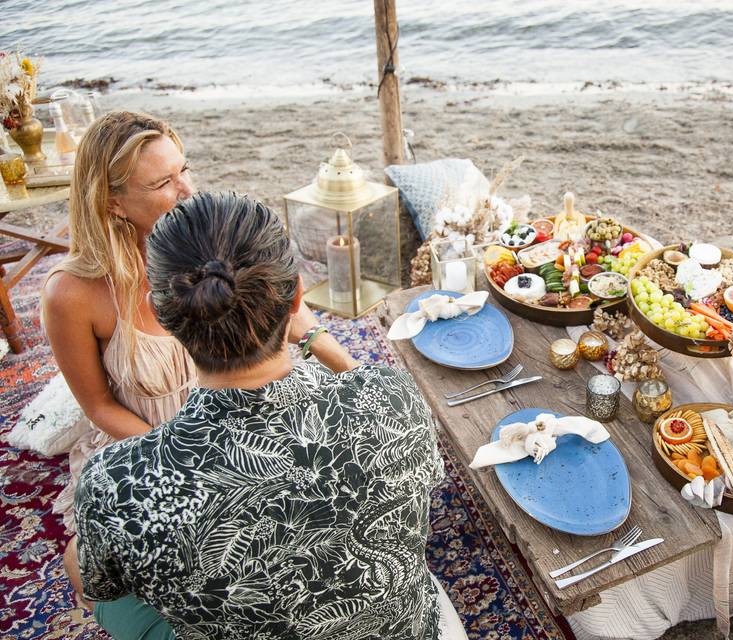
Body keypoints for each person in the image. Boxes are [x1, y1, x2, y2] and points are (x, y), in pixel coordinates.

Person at [65, 192, 465, 640]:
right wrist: (316, 337)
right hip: (407, 630)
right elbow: (371, 392)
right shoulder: (394, 396)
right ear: (296, 297)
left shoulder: (116, 484)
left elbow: (98, 583)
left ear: (162, 312)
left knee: (81, 563)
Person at [42, 111, 356, 532]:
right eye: (161, 184)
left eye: (183, 169)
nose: (187, 191)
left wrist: (355, 375)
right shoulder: (72, 295)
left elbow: (288, 303)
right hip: (155, 444)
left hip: (248, 414)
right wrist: (193, 466)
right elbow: (98, 405)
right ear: (111, 202)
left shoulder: (212, 237)